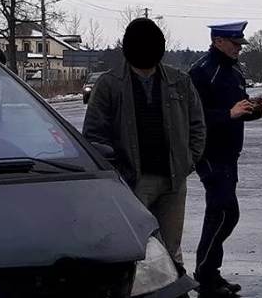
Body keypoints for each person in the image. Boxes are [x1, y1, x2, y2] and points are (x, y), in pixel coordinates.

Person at [82, 18, 206, 273]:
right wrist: (116, 173)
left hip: (173, 179)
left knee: (171, 250)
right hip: (132, 181)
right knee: (135, 249)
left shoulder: (178, 81)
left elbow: (197, 125)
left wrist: (188, 161)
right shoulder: (110, 84)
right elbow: (94, 135)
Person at [188, 21, 262, 298]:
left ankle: (210, 272)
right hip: (209, 154)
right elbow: (192, 117)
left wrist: (254, 109)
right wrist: (228, 114)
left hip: (230, 154)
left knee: (224, 214)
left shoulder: (234, 72)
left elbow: (239, 110)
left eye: (240, 45)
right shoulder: (201, 72)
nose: (238, 49)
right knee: (223, 211)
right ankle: (205, 276)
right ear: (218, 41)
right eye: (234, 44)